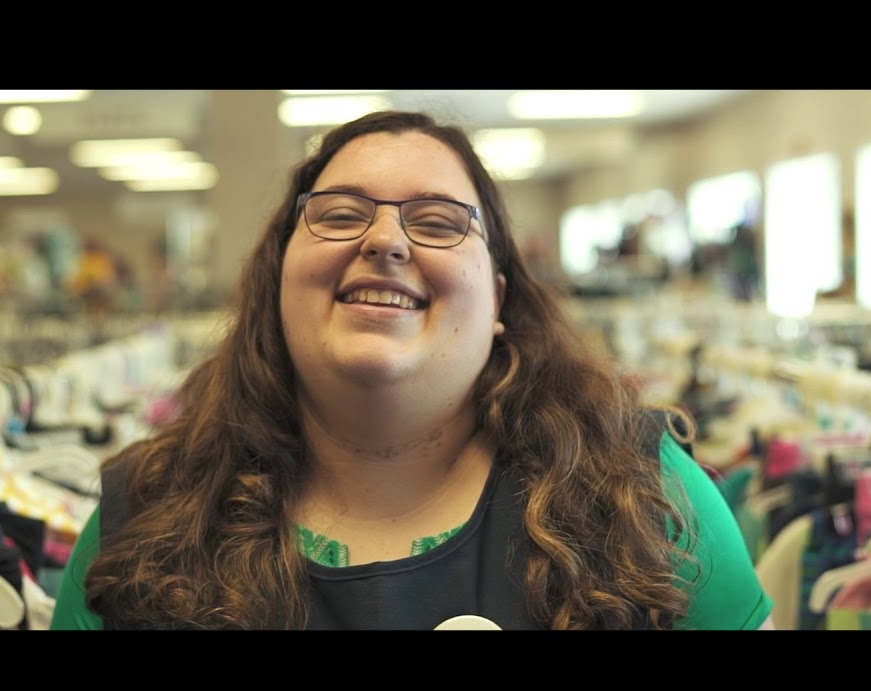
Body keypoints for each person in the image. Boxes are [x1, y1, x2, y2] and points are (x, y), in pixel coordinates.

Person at [50, 110, 774, 630]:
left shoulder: (644, 494)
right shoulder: (139, 520)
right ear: (278, 277)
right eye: (339, 214)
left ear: (497, 296)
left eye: (436, 221)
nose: (385, 240)